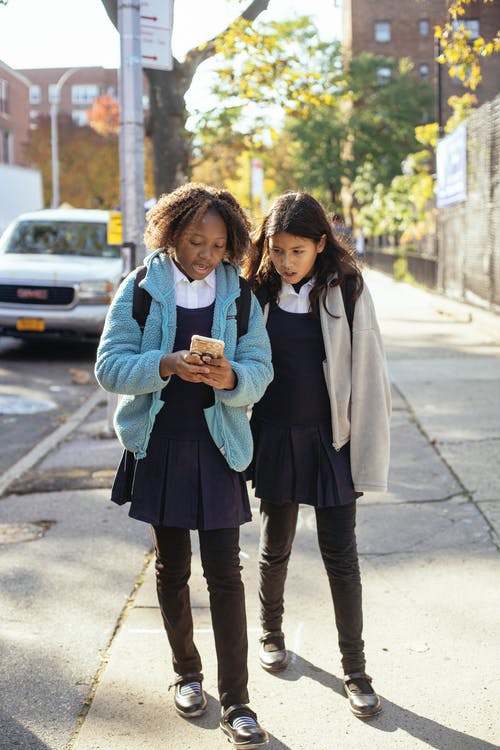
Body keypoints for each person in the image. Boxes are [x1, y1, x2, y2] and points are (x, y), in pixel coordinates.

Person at [95, 183, 273, 748]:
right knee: (172, 569)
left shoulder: (240, 296)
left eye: (218, 245)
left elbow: (261, 367)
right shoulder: (141, 289)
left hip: (219, 447)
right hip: (162, 444)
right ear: (171, 234)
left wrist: (233, 378)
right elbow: (109, 366)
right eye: (196, 241)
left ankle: (239, 701)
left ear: (231, 246)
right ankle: (187, 674)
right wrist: (165, 364)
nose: (206, 254)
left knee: (226, 574)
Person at [243, 191, 391, 719]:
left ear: (320, 245)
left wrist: (368, 451)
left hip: (332, 441)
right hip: (275, 435)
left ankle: (355, 670)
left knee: (341, 558)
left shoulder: (347, 289)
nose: (285, 261)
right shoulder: (256, 290)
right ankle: (271, 633)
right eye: (277, 250)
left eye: (297, 251)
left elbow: (369, 375)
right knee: (275, 545)